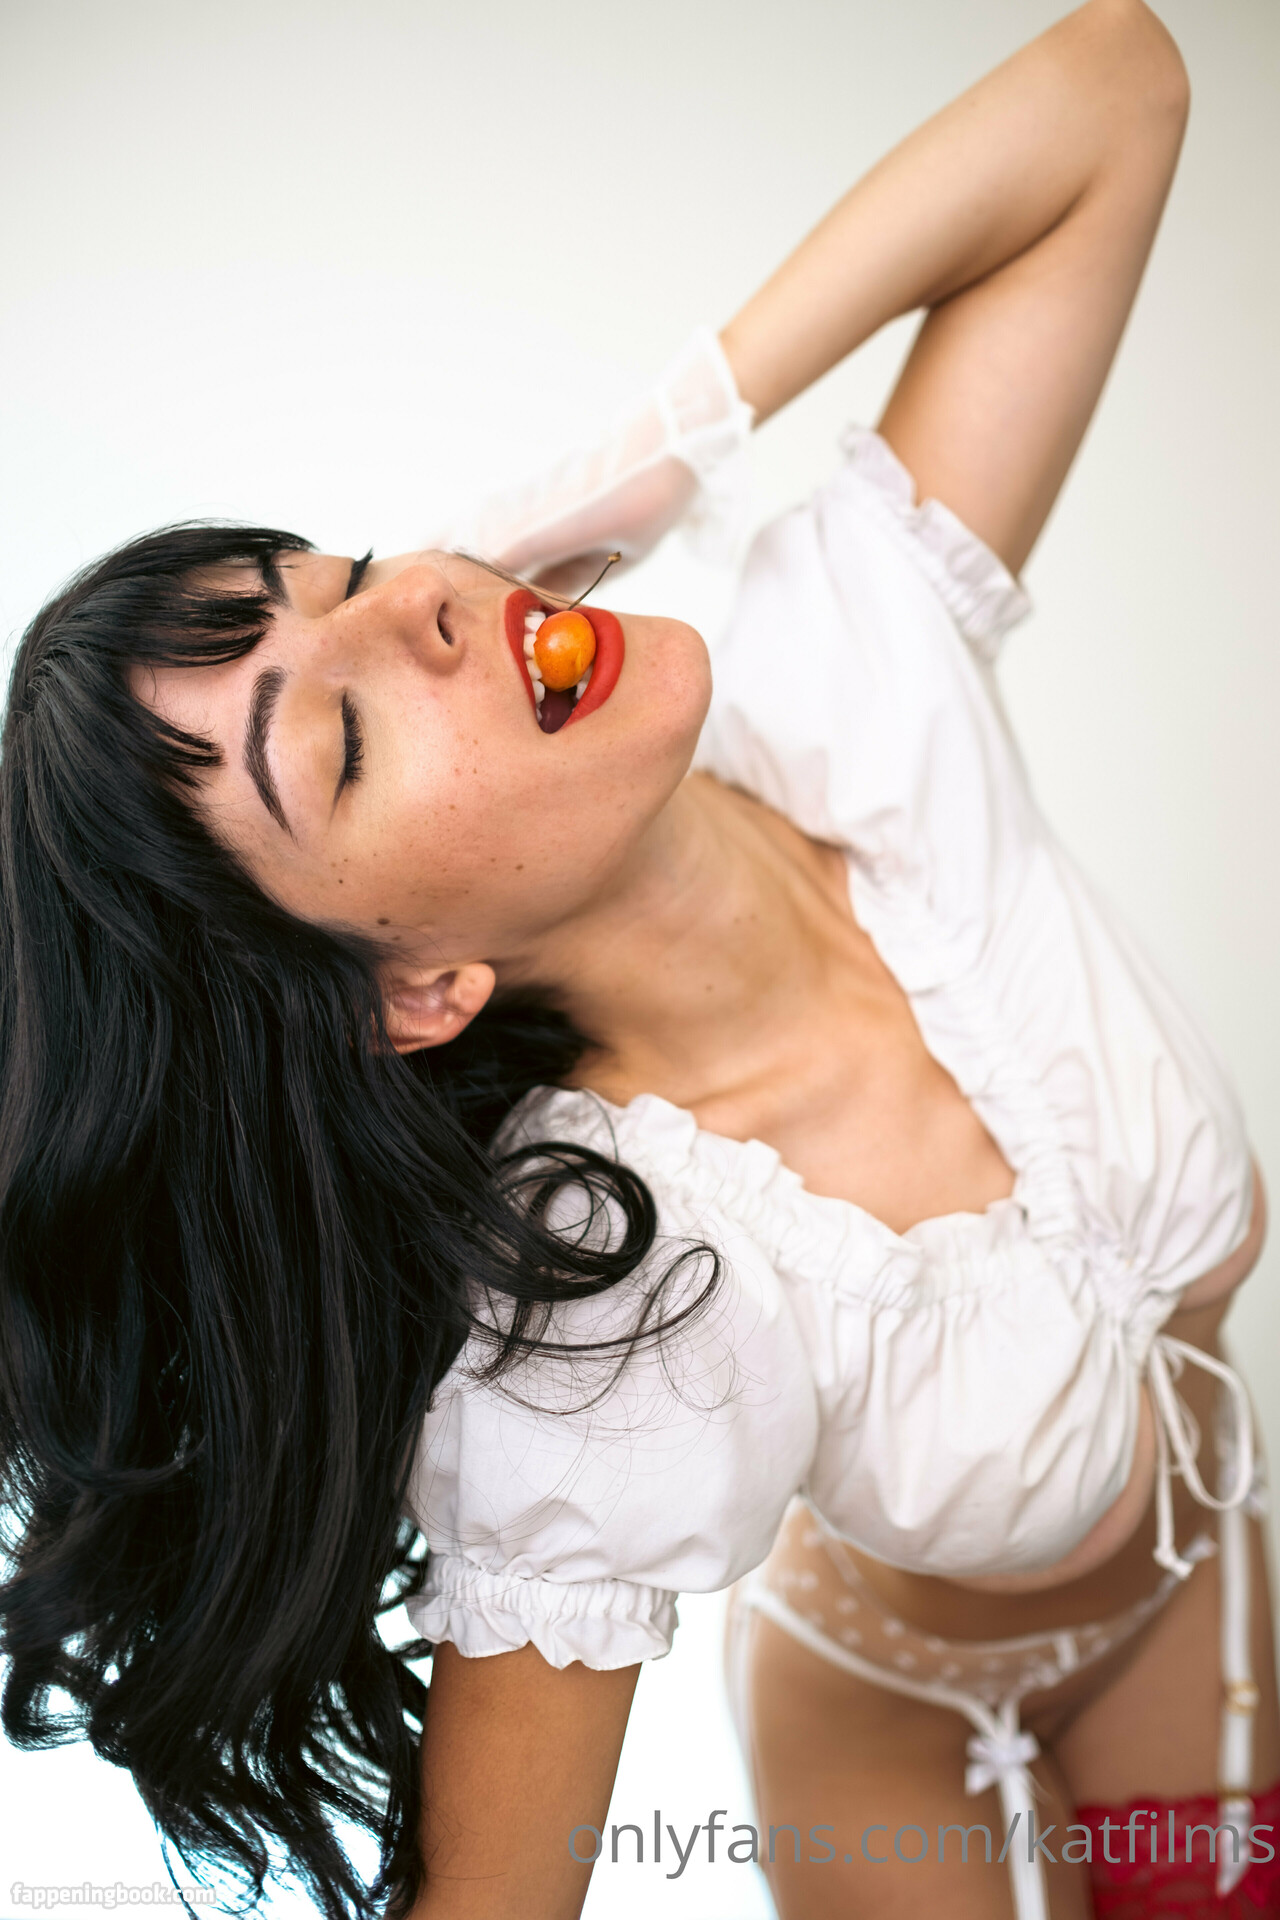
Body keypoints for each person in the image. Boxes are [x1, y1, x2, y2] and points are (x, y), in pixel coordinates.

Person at [0, 4, 1272, 1919]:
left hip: (1211, 1593)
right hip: (898, 1730)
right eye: (340, 739)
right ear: (412, 989)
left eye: (351, 576)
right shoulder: (616, 1303)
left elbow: (1119, 85)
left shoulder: (849, 681)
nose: (431, 605)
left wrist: (665, 435)